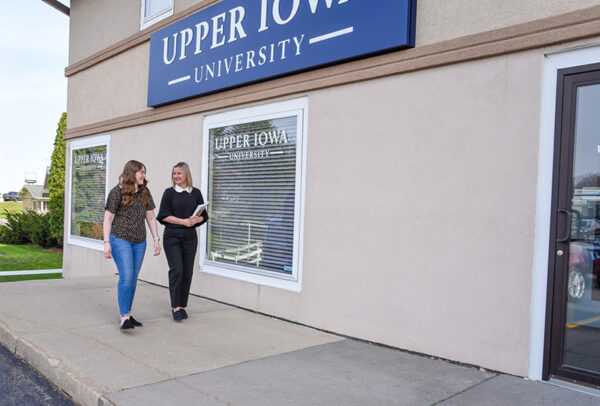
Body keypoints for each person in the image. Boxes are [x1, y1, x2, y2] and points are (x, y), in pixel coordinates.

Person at [103, 160, 161, 330]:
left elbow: (150, 217)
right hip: (120, 238)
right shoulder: (117, 192)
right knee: (127, 275)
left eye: (145, 172)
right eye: (141, 172)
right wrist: (106, 242)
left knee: (133, 278)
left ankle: (127, 313)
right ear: (131, 173)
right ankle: (123, 317)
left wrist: (156, 239)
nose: (144, 175)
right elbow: (108, 218)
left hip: (139, 241)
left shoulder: (144, 192)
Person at [157, 162, 208, 321]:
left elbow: (204, 216)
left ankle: (182, 304)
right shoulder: (169, 193)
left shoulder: (196, 193)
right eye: (174, 174)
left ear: (187, 174)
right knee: (177, 270)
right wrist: (183, 221)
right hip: (172, 237)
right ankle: (175, 306)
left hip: (190, 238)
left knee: (187, 272)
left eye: (179, 173)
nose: (176, 177)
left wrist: (196, 218)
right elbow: (163, 216)